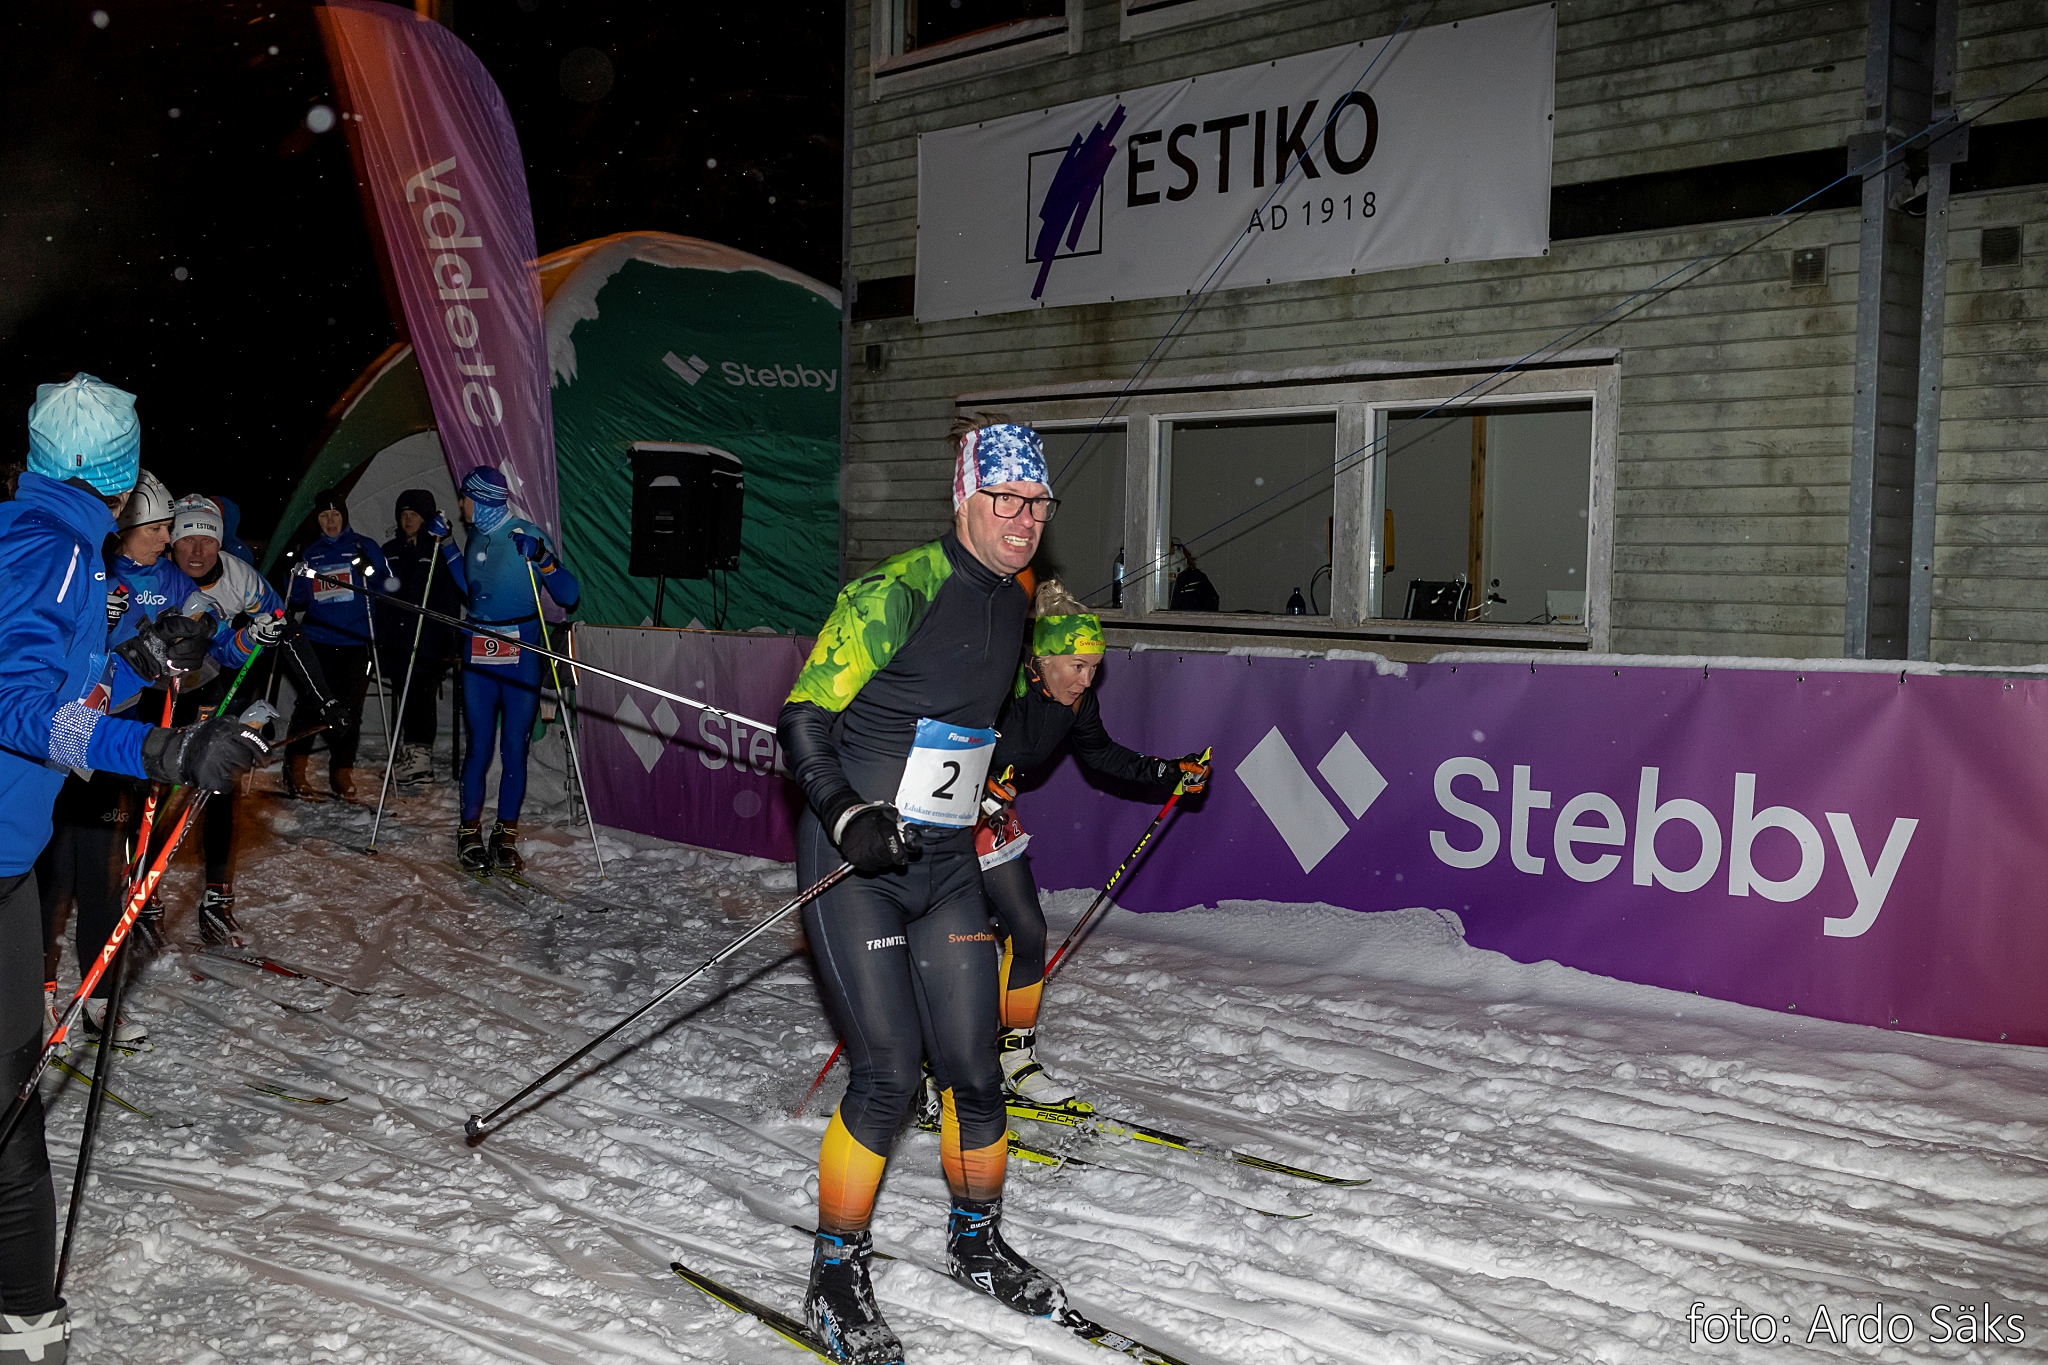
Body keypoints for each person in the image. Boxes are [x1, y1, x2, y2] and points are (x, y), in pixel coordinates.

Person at [777, 421, 1065, 1363]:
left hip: (945, 865)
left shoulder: (1015, 599)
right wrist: (846, 814)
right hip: (856, 863)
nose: (1024, 519)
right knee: (890, 1074)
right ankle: (834, 1275)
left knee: (975, 1069)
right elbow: (803, 717)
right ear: (965, 498)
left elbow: (968, 726)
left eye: (1038, 503)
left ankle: (975, 1241)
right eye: (1006, 500)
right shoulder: (894, 592)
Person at [0, 373, 268, 1361]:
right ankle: (27, 1323)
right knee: (10, 1116)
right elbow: (19, 709)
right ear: (121, 474)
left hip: (6, 864)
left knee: (13, 1102)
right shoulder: (57, 550)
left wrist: (135, 665)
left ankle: (26, 1317)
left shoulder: (39, 535)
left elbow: (56, 684)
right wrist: (155, 749)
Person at [977, 578, 1209, 1106]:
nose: (1086, 680)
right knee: (956, 944)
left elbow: (1103, 756)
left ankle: (1015, 1057)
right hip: (942, 822)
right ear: (1043, 660)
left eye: (1095, 669)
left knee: (1028, 932)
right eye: (1078, 667)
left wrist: (1171, 772)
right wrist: (973, 785)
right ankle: (935, 1065)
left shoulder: (1077, 705)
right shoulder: (997, 687)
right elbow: (933, 740)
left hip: (991, 821)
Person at [168, 494, 298, 943]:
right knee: (151, 794)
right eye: (187, 540)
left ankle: (218, 898)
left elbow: (275, 619)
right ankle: (142, 896)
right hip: (153, 694)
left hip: (208, 682)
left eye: (208, 540)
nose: (197, 551)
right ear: (171, 541)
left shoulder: (240, 576)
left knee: (219, 784)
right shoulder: (159, 577)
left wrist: (259, 633)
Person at [435, 466, 579, 872]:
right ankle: (468, 833)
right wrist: (446, 545)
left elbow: (570, 594)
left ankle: (505, 835)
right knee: (479, 744)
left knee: (514, 745)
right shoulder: (475, 536)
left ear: (480, 499)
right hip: (479, 650)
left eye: (464, 497)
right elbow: (473, 590)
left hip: (520, 653)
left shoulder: (526, 534)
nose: (460, 504)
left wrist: (544, 559)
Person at [284, 488, 396, 801]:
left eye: (335, 515)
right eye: (324, 515)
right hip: (317, 640)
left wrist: (369, 570)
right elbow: (296, 597)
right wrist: (293, 572)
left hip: (355, 641)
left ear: (344, 516)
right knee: (310, 706)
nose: (331, 521)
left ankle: (341, 772)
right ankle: (295, 769)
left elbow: (389, 584)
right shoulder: (311, 552)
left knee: (350, 709)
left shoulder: (363, 546)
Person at [379, 489, 461, 789]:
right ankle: (410, 753)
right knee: (405, 694)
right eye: (404, 514)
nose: (408, 520)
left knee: (422, 696)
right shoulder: (390, 550)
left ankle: (421, 759)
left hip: (429, 639)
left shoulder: (438, 550)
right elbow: (382, 592)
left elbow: (450, 596)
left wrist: (451, 638)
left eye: (414, 514)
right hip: (399, 638)